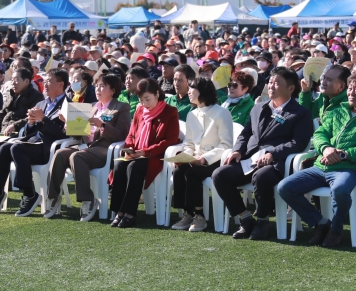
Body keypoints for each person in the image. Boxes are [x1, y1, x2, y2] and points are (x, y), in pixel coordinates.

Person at [278, 71, 356, 248]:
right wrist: (326, 149)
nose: (351, 93)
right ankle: (321, 223)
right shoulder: (337, 111)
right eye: (350, 89)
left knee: (339, 189)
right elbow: (321, 134)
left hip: (347, 169)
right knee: (285, 187)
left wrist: (344, 154)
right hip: (321, 166)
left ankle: (336, 230)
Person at [213, 66, 313, 239]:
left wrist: (273, 153)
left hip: (276, 163)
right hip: (250, 159)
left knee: (262, 176)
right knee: (220, 174)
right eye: (270, 82)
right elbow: (246, 134)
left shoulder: (300, 113)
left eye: (277, 83)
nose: (272, 86)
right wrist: (237, 151)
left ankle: (262, 220)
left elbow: (298, 142)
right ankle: (245, 219)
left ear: (290, 88)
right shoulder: (259, 108)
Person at [44, 73, 131, 221]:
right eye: (97, 86)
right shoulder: (90, 107)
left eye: (102, 86)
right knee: (59, 153)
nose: (98, 89)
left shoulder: (121, 107)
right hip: (85, 146)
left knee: (76, 156)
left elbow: (122, 134)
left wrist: (102, 125)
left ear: (113, 90)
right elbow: (78, 135)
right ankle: (53, 197)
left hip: (105, 149)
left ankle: (88, 200)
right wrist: (68, 123)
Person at [0, 69, 68, 216]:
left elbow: (64, 135)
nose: (44, 84)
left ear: (60, 84)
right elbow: (31, 132)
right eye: (44, 81)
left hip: (50, 148)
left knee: (17, 148)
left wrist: (44, 119)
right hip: (33, 143)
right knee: (5, 147)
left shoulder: (69, 106)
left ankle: (29, 194)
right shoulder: (42, 103)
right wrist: (30, 123)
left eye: (48, 81)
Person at [110, 78, 180, 228]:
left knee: (133, 167)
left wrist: (145, 152)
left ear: (157, 94)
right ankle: (119, 211)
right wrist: (128, 148)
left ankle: (130, 213)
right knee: (119, 166)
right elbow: (131, 134)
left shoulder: (170, 112)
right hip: (136, 153)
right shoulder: (140, 110)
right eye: (141, 100)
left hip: (155, 156)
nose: (144, 104)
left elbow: (170, 140)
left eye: (147, 99)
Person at [170, 78, 234, 232]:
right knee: (179, 170)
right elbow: (189, 143)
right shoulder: (192, 114)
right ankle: (187, 213)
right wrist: (184, 156)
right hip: (196, 159)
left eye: (193, 88)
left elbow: (226, 144)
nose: (189, 91)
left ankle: (200, 216)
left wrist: (205, 158)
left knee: (192, 173)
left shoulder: (222, 112)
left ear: (203, 91)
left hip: (217, 160)